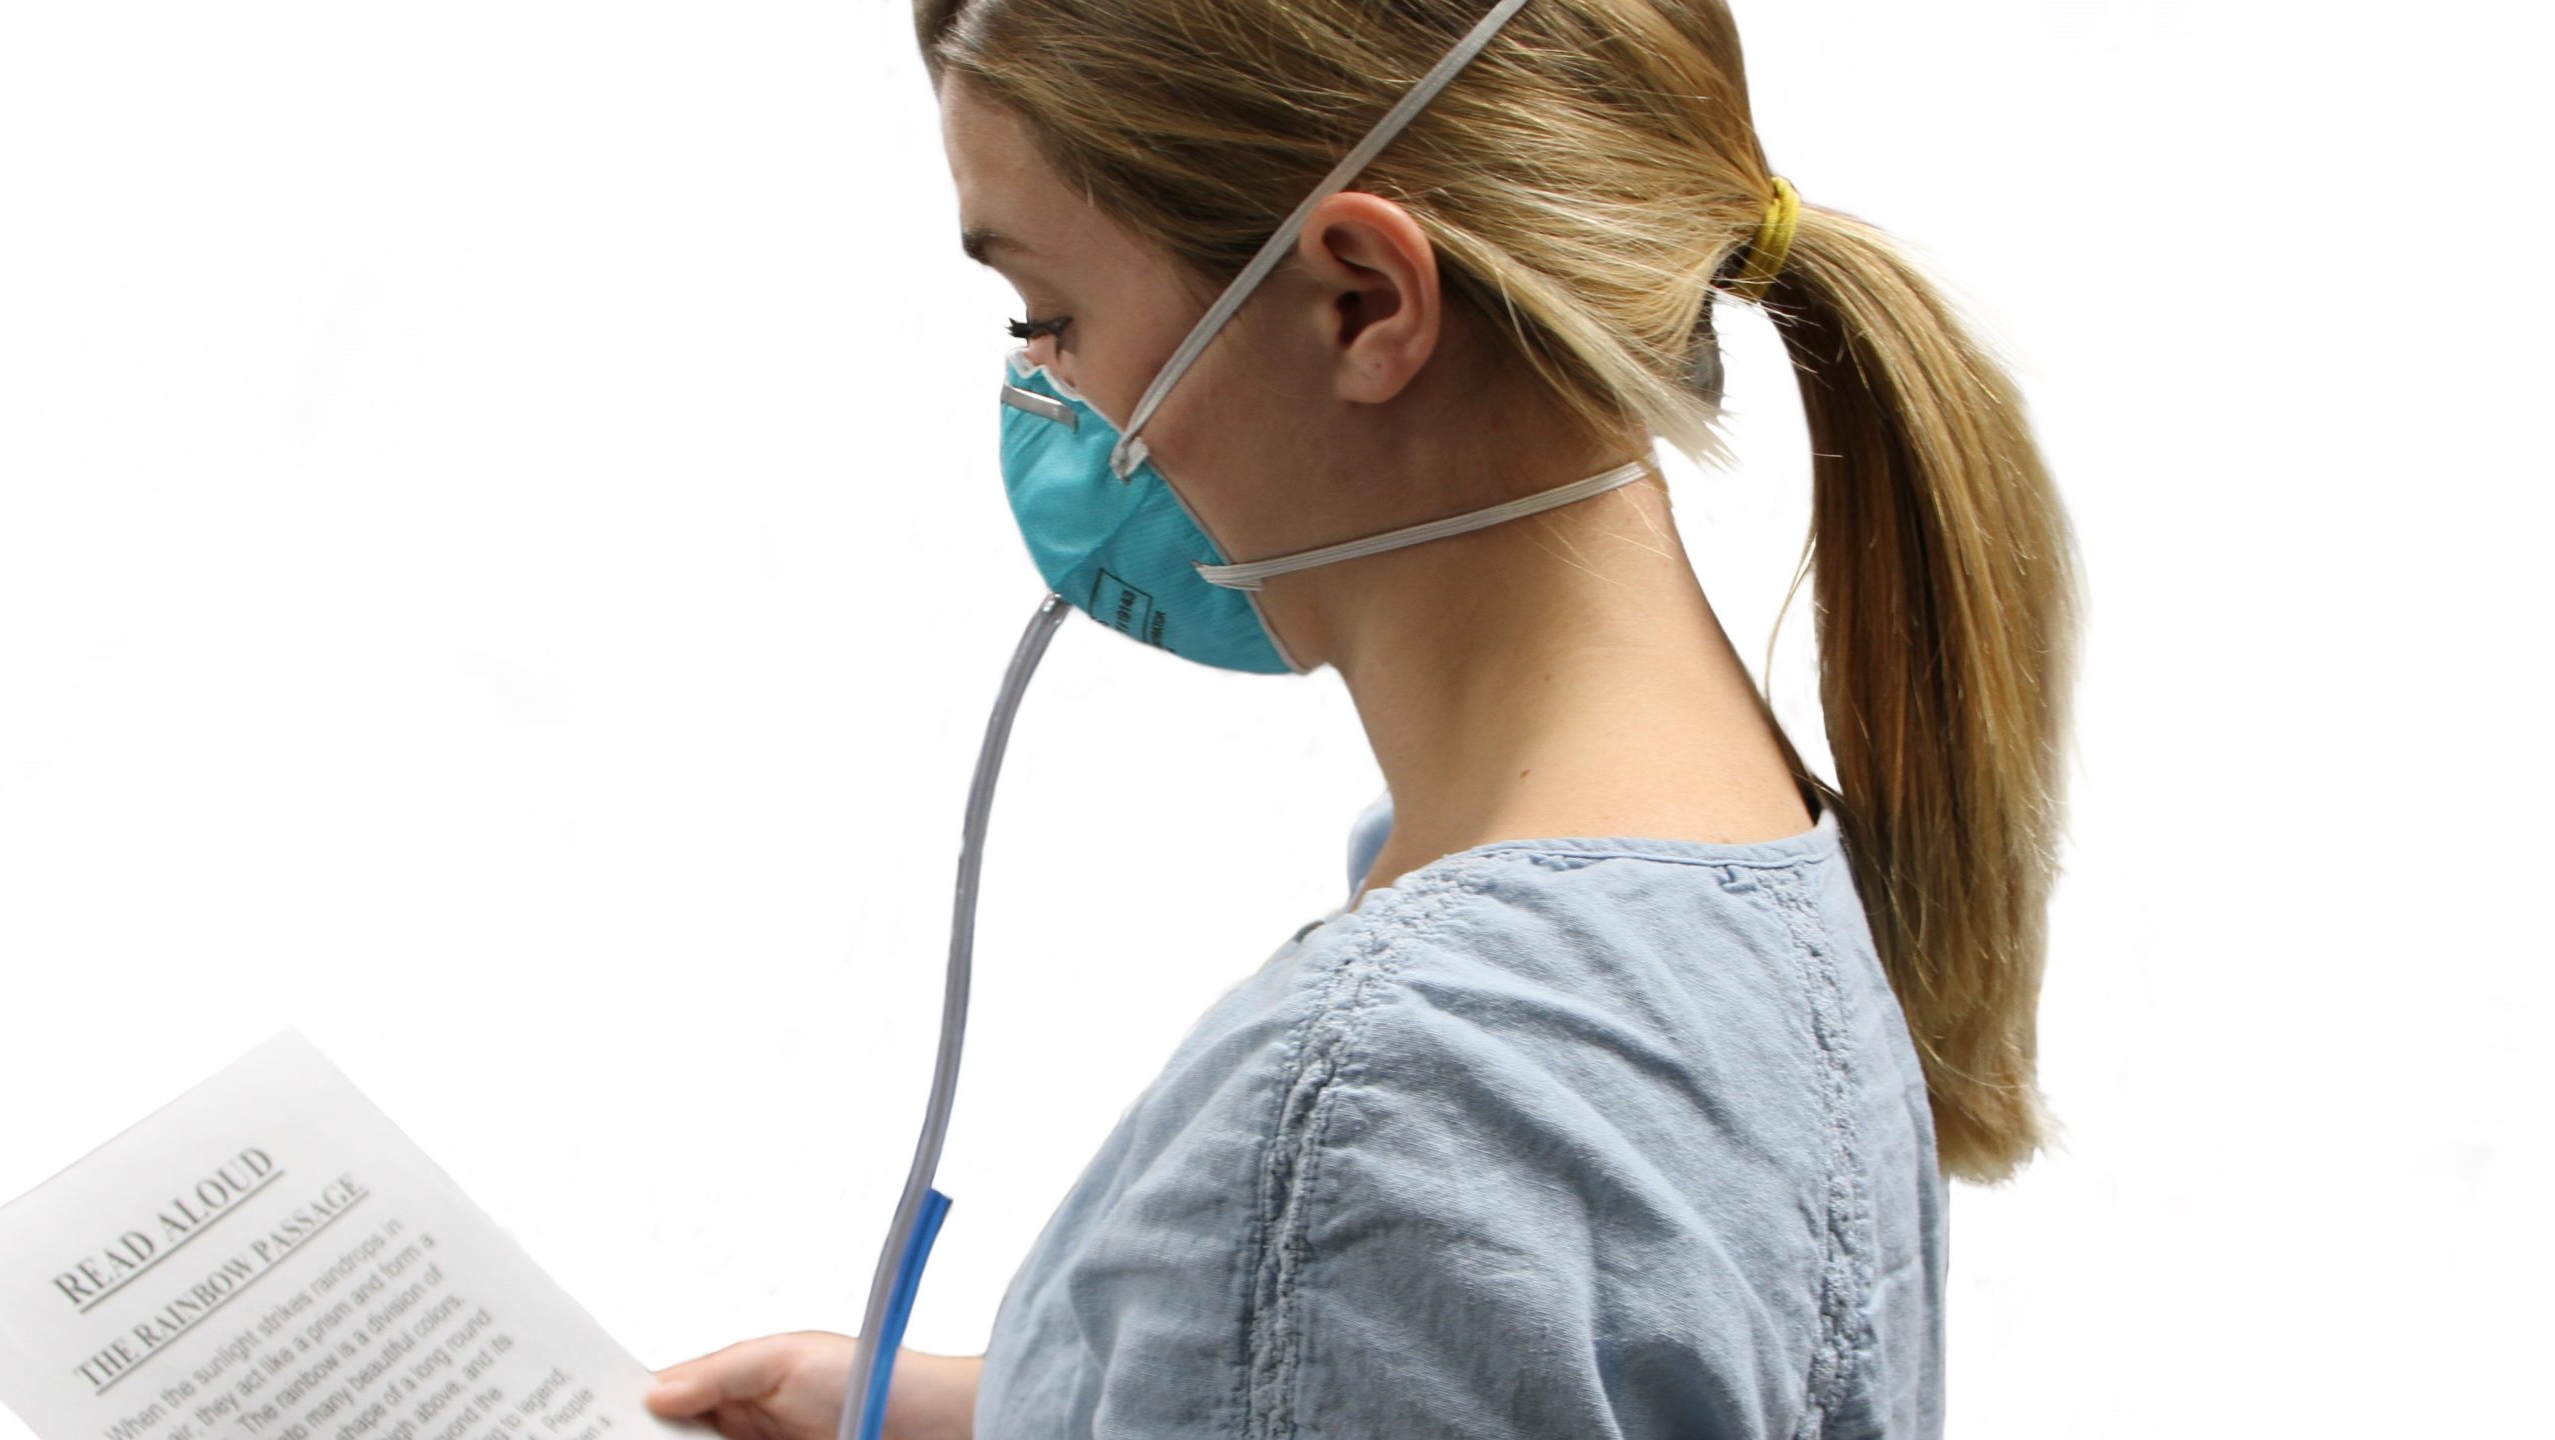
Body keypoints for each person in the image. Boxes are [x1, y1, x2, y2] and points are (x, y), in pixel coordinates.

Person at [645, 0, 2081, 1435]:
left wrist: (1251, 1308)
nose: (1046, 393)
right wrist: (1027, 1401)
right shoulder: (1743, 878)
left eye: (1052, 316)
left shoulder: (1389, 1107)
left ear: (1366, 301)